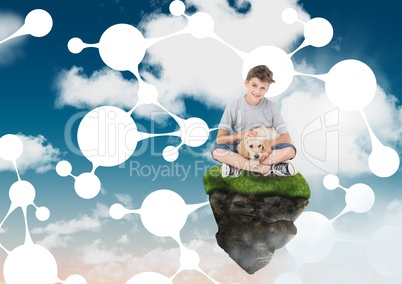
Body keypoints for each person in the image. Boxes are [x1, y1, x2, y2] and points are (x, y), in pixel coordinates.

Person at [212, 65, 296, 177]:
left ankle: (240, 165)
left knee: (290, 150)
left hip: (265, 148)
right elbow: (220, 139)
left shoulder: (271, 107)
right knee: (217, 151)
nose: (257, 91)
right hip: (242, 148)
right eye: (254, 85)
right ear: (246, 83)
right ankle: (266, 168)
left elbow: (286, 137)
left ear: (267, 89)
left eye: (262, 88)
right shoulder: (233, 106)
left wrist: (266, 148)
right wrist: (241, 136)